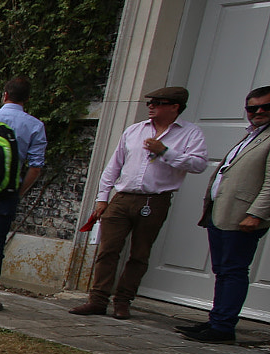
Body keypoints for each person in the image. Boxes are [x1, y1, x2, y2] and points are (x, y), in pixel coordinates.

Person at [71, 86, 208, 320]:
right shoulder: (135, 130)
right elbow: (113, 166)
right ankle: (97, 299)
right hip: (122, 198)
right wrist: (102, 198)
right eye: (150, 103)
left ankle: (123, 301)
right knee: (107, 250)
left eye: (158, 102)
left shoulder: (190, 133)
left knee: (140, 254)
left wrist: (165, 151)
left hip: (155, 201)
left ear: (175, 107)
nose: (151, 106)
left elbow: (198, 165)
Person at [177, 86, 270, 343]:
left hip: (243, 217)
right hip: (222, 212)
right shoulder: (253, 135)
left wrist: (256, 214)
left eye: (265, 107)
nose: (258, 112)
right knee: (223, 270)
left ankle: (223, 327)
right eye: (253, 108)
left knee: (234, 271)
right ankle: (216, 320)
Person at [0, 77, 47, 312]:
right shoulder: (35, 125)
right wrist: (19, 190)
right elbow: (35, 167)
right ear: (27, 99)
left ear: (5, 95)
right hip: (8, 191)